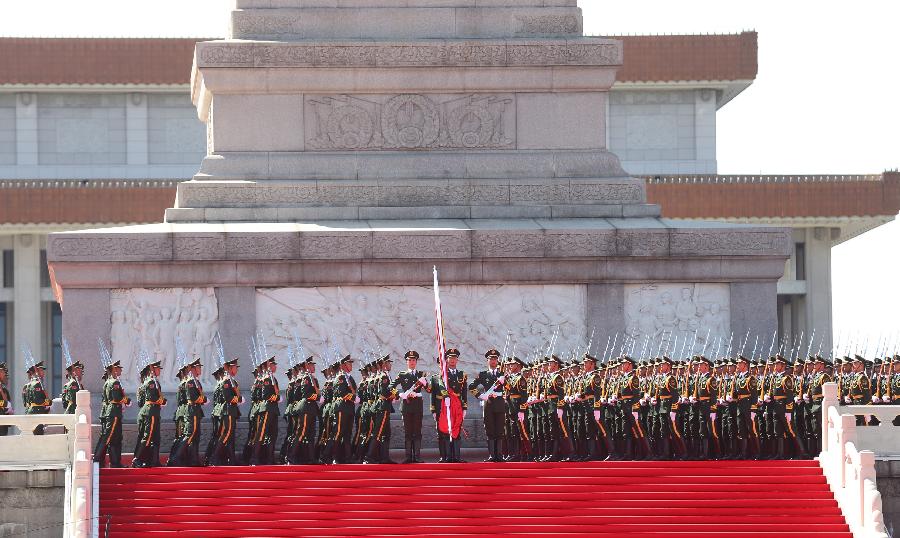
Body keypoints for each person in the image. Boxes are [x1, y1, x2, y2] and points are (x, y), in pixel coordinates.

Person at [468, 349, 507, 462]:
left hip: (500, 403)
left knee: (499, 430)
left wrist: (505, 383)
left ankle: (499, 455)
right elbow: (471, 387)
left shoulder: (502, 374)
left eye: (495, 359)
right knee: (490, 429)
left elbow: (511, 388)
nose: (493, 361)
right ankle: (492, 455)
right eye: (491, 359)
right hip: (488, 404)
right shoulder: (483, 374)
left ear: (497, 361)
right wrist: (480, 395)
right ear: (487, 361)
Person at [430, 348, 467, 463]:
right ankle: (445, 456)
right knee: (443, 432)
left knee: (456, 430)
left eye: (454, 358)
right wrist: (434, 410)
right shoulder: (441, 376)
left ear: (457, 360)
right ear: (446, 360)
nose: (452, 360)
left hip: (456, 407)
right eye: (450, 358)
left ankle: (456, 456)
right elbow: (433, 395)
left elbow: (464, 392)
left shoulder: (462, 375)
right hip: (443, 408)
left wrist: (464, 407)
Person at [392, 350, 428, 463]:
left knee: (417, 431)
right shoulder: (402, 375)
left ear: (416, 362)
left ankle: (417, 456)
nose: (412, 362)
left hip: (417, 406)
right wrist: (399, 394)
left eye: (413, 360)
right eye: (409, 360)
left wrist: (426, 384)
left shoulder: (421, 375)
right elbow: (390, 386)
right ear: (406, 362)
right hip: (406, 407)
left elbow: (430, 390)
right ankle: (408, 457)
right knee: (408, 432)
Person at [93, 359, 130, 467]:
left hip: (113, 412)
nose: (120, 371)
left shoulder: (108, 382)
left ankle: (115, 462)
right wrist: (126, 400)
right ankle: (97, 459)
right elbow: (116, 397)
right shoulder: (114, 382)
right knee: (108, 436)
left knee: (116, 438)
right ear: (114, 370)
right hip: (113, 412)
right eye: (119, 369)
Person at [171, 358, 207, 467]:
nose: (200, 369)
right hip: (191, 410)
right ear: (193, 369)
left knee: (195, 436)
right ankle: (175, 458)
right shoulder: (190, 382)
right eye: (198, 367)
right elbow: (192, 397)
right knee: (190, 434)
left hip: (195, 410)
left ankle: (194, 460)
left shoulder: (195, 381)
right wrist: (203, 399)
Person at [132, 359, 165, 468]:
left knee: (155, 437)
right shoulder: (151, 382)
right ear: (153, 370)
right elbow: (152, 397)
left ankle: (153, 460)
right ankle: (137, 459)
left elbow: (140, 402)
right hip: (150, 412)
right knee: (148, 436)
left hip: (152, 411)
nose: (159, 370)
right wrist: (162, 401)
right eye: (158, 369)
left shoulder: (149, 382)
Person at [210, 358, 241, 466]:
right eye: (235, 367)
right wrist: (239, 399)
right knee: (226, 434)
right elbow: (228, 398)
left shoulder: (231, 381)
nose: (236, 369)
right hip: (227, 410)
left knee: (229, 435)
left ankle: (231, 460)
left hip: (231, 410)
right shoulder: (227, 381)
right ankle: (214, 457)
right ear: (230, 368)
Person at [368, 355, 398, 463]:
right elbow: (384, 393)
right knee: (378, 432)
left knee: (386, 433)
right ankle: (369, 457)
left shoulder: (381, 376)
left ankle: (384, 457)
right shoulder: (384, 377)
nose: (390, 365)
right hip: (383, 406)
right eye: (388, 363)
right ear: (384, 365)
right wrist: (396, 395)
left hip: (383, 406)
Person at [331, 355, 357, 464]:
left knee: (347, 433)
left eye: (351, 363)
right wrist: (354, 397)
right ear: (343, 366)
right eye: (349, 363)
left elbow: (354, 390)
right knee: (339, 432)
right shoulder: (341, 377)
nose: (351, 365)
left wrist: (355, 396)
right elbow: (342, 393)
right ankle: (335, 457)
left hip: (349, 408)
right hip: (342, 407)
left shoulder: (349, 378)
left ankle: (347, 457)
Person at [23, 359, 51, 435]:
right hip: (37, 412)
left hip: (30, 412)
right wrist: (49, 402)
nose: (43, 372)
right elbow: (38, 401)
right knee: (38, 435)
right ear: (37, 372)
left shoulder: (28, 385)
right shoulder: (37, 384)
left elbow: (25, 403)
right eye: (41, 370)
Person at [0, 362, 11, 436]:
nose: (4, 374)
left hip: (3, 422)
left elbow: (8, 404)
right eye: (3, 372)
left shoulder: (4, 389)